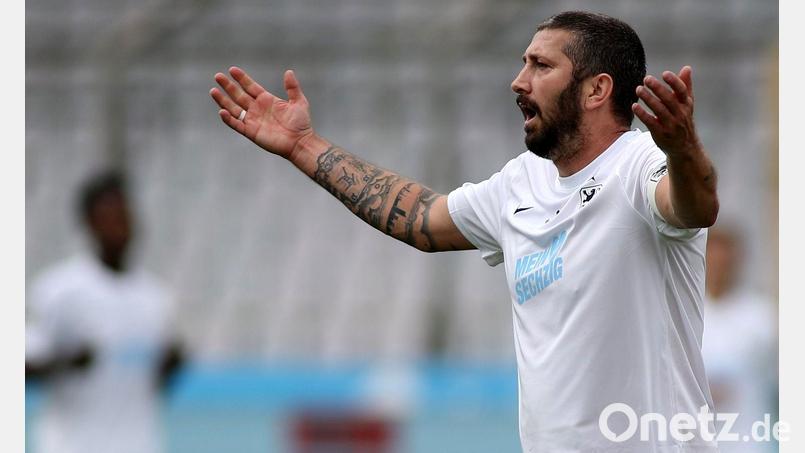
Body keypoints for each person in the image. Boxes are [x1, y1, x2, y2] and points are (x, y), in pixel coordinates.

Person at [209, 11, 719, 452]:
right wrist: (304, 147)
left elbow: (692, 207)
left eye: (541, 66)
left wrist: (683, 147)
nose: (518, 81)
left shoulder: (639, 166)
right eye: (523, 63)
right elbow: (419, 218)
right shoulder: (522, 181)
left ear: (595, 89)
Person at [26, 170, 184, 453]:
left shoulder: (156, 298)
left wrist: (170, 366)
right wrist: (65, 362)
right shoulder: (60, 291)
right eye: (108, 218)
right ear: (88, 223)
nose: (119, 226)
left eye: (123, 216)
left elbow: (148, 385)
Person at [701, 227, 777, 453]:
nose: (718, 268)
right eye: (713, 259)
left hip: (751, 439)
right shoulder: (685, 315)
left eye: (725, 261)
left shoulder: (763, 316)